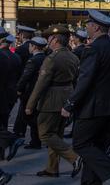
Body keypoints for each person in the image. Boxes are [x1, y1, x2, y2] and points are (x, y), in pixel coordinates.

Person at [61, 10, 110, 185]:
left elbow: (85, 80)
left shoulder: (94, 49)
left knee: (80, 144)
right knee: (96, 148)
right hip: (109, 108)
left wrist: (70, 104)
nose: (86, 27)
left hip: (91, 108)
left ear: (96, 27)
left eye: (88, 24)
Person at [25, 27, 82, 178]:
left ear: (55, 40)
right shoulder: (73, 56)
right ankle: (52, 168)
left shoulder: (51, 58)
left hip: (51, 101)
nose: (47, 42)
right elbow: (76, 80)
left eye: (49, 39)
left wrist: (30, 105)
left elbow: (41, 84)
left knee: (45, 134)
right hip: (66, 98)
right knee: (56, 135)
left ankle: (74, 157)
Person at [15, 36, 47, 150]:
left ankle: (36, 141)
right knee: (36, 116)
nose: (29, 47)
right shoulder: (46, 58)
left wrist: (18, 89)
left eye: (30, 45)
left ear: (33, 47)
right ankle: (38, 140)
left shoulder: (33, 60)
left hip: (30, 92)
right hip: (42, 92)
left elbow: (25, 77)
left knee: (29, 116)